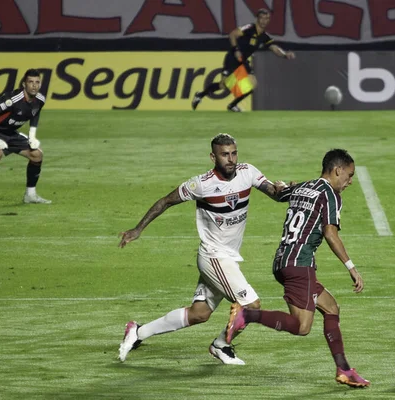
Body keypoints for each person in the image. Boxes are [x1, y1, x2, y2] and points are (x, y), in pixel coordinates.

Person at [118, 133, 286, 365]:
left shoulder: (247, 172)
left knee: (199, 314)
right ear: (213, 157)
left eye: (234, 153)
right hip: (213, 256)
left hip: (227, 258)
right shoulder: (202, 184)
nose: (231, 159)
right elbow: (165, 201)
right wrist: (138, 229)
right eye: (224, 154)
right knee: (251, 305)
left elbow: (275, 194)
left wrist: (285, 189)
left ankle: (137, 332)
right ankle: (221, 345)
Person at [225, 149, 370, 387]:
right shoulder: (330, 195)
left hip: (283, 260)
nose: (350, 181)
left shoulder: (304, 186)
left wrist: (282, 184)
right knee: (302, 327)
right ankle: (246, 314)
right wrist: (351, 267)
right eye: (349, 175)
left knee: (331, 308)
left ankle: (344, 369)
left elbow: (280, 192)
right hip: (300, 264)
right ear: (337, 170)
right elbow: (330, 233)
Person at [0, 68, 50, 207]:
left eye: (37, 82)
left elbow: (35, 112)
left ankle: (30, 195)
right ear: (24, 84)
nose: (34, 85)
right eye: (30, 82)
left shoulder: (40, 99)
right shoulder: (13, 99)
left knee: (37, 154)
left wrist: (32, 136)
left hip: (9, 133)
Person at [191, 8, 295, 112]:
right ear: (257, 18)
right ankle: (200, 95)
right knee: (223, 85)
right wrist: (236, 50)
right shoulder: (249, 28)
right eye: (262, 18)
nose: (264, 21)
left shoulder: (264, 36)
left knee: (252, 84)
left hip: (243, 61)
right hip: (232, 58)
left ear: (269, 20)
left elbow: (274, 48)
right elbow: (232, 34)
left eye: (266, 18)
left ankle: (232, 105)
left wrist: (285, 54)